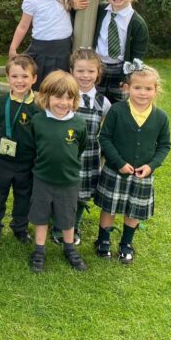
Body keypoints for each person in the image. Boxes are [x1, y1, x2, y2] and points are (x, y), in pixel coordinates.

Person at [94, 61, 171, 264]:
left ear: (156, 90)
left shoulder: (161, 117)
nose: (142, 93)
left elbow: (164, 146)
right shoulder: (117, 110)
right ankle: (103, 240)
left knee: (134, 209)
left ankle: (126, 243)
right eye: (137, 88)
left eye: (148, 89)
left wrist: (151, 165)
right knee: (109, 208)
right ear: (127, 88)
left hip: (142, 174)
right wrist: (118, 162)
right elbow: (105, 138)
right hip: (115, 171)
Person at [8, 0, 98, 89]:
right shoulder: (33, 2)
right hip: (40, 50)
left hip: (63, 51)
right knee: (38, 86)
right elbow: (23, 26)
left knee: (59, 87)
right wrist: (13, 47)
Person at [28, 70, 88, 273]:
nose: (63, 102)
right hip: (42, 178)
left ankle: (69, 248)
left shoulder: (79, 123)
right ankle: (39, 249)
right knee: (40, 214)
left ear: (74, 99)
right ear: (46, 96)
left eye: (68, 98)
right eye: (57, 97)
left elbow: (80, 147)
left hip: (69, 180)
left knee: (67, 215)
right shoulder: (39, 120)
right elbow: (34, 146)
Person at [51, 48, 112, 245]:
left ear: (98, 73)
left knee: (80, 194)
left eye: (90, 71)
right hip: (64, 152)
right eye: (80, 71)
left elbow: (103, 128)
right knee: (60, 190)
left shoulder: (104, 103)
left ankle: (73, 225)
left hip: (88, 156)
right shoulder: (63, 98)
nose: (85, 76)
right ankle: (58, 225)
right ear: (71, 71)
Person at [0, 55, 40, 244]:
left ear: (34, 79)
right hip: (2, 159)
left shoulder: (38, 106)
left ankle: (20, 227)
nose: (20, 81)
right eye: (15, 76)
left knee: (24, 195)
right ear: (7, 77)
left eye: (25, 76)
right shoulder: (0, 102)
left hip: (27, 161)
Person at [92, 0, 149, 103]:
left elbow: (137, 55)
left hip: (120, 71)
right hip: (96, 68)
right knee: (95, 103)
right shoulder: (98, 11)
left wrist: (128, 78)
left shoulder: (137, 23)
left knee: (119, 106)